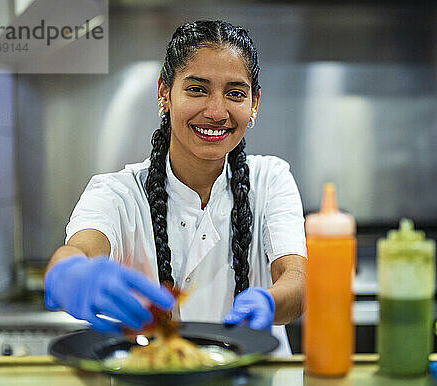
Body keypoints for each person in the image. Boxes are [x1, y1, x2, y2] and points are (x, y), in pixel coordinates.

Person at [43, 20, 306, 356]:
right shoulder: (117, 194)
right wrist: (68, 273)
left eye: (235, 93)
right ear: (164, 93)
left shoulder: (270, 179)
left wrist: (271, 302)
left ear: (254, 103)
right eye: (197, 89)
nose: (216, 111)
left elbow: (297, 281)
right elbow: (79, 248)